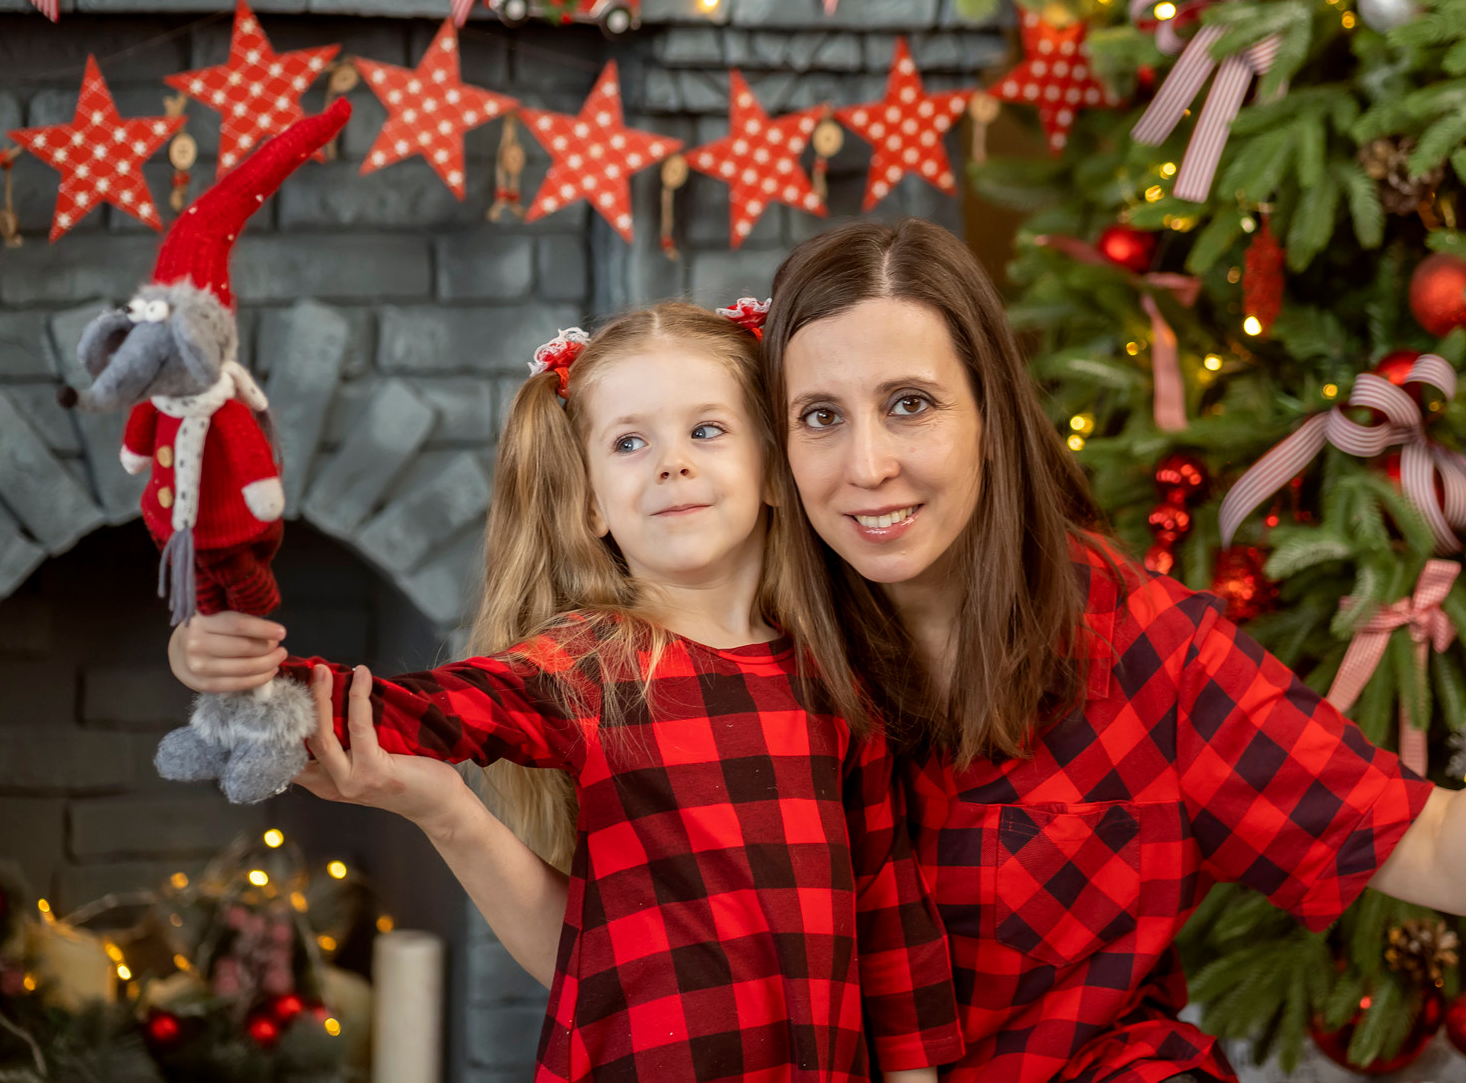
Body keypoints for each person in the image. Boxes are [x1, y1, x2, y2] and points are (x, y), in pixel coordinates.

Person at [181, 221, 1466, 1083]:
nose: (870, 467)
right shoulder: (716, 655)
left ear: (990, 413)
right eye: (821, 416)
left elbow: (1437, 847)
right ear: (775, 450)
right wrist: (415, 788)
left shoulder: (1136, 640)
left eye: (911, 406)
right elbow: (631, 955)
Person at [169, 301, 963, 1083]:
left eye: (707, 430)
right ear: (590, 504)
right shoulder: (589, 664)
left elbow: (889, 920)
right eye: (629, 442)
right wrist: (235, 669)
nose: (672, 462)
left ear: (775, 472)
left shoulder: (837, 678)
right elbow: (423, 709)